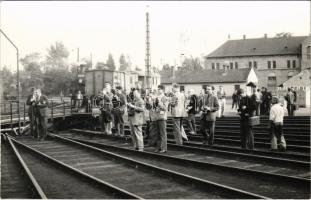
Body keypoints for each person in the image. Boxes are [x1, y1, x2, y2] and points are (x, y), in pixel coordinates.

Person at [154, 85, 169, 153]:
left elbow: (165, 108)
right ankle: (159, 147)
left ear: (163, 90)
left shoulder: (164, 98)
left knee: (163, 133)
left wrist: (160, 105)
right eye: (158, 89)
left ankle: (163, 148)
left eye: (159, 89)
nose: (158, 90)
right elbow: (155, 107)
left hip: (162, 117)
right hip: (157, 117)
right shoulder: (157, 97)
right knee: (158, 133)